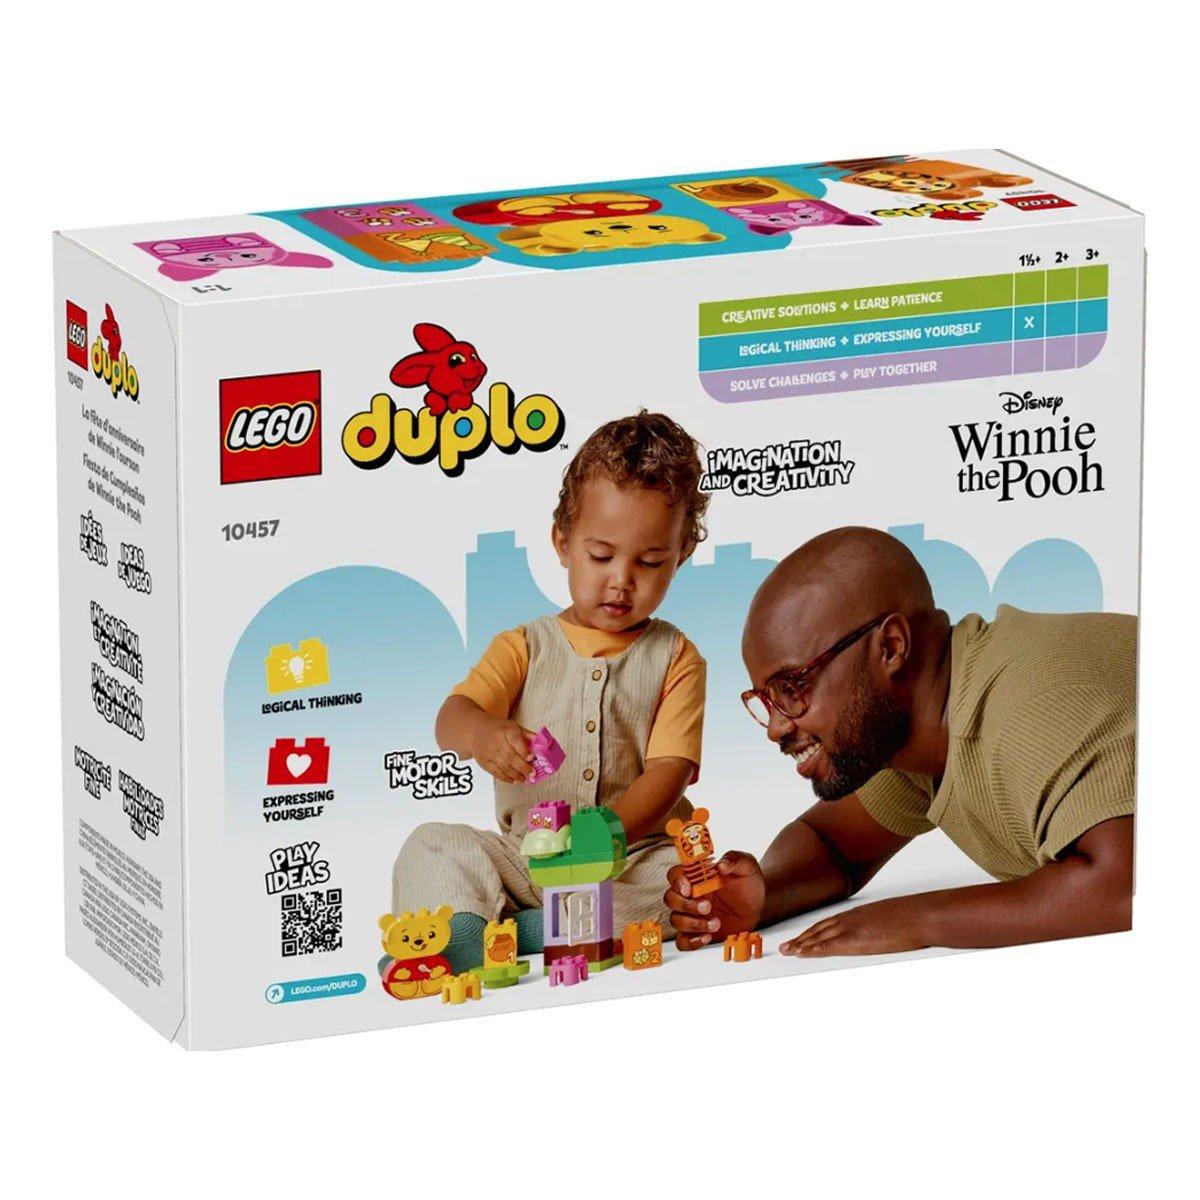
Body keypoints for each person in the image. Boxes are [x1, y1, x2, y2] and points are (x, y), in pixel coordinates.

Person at [665, 526, 1134, 957]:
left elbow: (1124, 890)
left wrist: (920, 919)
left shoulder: (1028, 707)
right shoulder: (921, 732)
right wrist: (763, 894)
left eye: (791, 687)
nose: (775, 727)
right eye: (766, 700)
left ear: (891, 647)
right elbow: (832, 844)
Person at [392, 411, 708, 973]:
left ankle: (529, 931)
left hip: (627, 860)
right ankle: (463, 929)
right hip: (527, 859)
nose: (621, 579)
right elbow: (452, 717)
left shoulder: (676, 658)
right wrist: (482, 733)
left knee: (680, 886)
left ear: (680, 554)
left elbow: (670, 771)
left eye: (650, 561)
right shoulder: (524, 646)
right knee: (431, 843)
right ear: (563, 543)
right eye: (601, 556)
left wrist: (609, 831)